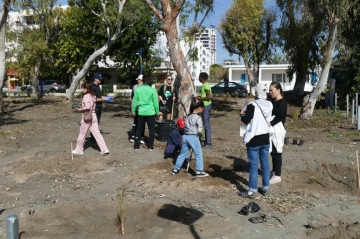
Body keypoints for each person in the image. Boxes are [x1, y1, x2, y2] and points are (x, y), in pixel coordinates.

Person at [239, 83, 273, 198]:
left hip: (253, 139)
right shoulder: (269, 104)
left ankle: (252, 191)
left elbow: (246, 120)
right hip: (265, 138)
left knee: (253, 166)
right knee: (265, 164)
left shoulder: (252, 105)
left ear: (255, 94)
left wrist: (242, 114)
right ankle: (265, 188)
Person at [171, 99, 209, 177]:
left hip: (185, 137)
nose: (202, 110)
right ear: (199, 108)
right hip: (193, 137)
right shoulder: (198, 118)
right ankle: (199, 171)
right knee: (198, 154)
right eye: (202, 109)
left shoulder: (188, 116)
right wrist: (199, 134)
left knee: (182, 154)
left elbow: (185, 126)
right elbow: (200, 129)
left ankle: (175, 169)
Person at [73, 82, 109, 155]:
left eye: (82, 88)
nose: (82, 90)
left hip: (87, 116)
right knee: (97, 134)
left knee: (82, 134)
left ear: (86, 89)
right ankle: (104, 149)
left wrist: (80, 109)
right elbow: (96, 100)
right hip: (94, 116)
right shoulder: (92, 95)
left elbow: (87, 107)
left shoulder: (86, 96)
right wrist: (105, 98)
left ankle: (79, 150)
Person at [131, 75, 160, 151]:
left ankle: (136, 146)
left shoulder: (138, 90)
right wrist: (158, 112)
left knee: (139, 129)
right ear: (150, 81)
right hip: (151, 112)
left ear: (143, 81)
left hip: (141, 112)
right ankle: (150, 146)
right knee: (151, 129)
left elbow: (134, 102)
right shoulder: (153, 90)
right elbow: (156, 103)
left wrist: (133, 111)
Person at [268, 82, 287, 184]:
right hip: (272, 129)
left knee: (277, 152)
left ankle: (277, 175)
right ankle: (274, 170)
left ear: (278, 90)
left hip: (277, 130)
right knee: (273, 151)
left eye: (272, 90)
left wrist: (270, 123)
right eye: (269, 90)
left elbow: (280, 117)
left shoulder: (282, 102)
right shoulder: (273, 101)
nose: (270, 92)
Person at [195, 72, 212, 148]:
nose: (198, 78)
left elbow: (209, 97)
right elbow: (204, 96)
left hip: (207, 106)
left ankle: (208, 143)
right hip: (204, 106)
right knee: (205, 124)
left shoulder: (206, 85)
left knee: (206, 124)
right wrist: (198, 97)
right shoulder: (204, 85)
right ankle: (206, 141)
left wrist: (200, 98)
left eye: (199, 77)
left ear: (202, 78)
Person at [90, 73, 106, 141]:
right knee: (94, 123)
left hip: (99, 106)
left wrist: (105, 97)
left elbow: (99, 97)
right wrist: (103, 99)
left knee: (97, 122)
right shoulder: (92, 87)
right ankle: (93, 137)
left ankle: (94, 136)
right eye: (99, 79)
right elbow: (94, 99)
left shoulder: (98, 86)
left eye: (101, 79)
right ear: (95, 79)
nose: (100, 80)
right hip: (95, 107)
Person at [130, 75, 145, 144]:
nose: (137, 81)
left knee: (135, 122)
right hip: (143, 107)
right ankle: (141, 137)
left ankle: (133, 136)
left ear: (140, 80)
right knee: (142, 123)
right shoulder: (145, 87)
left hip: (136, 107)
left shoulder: (134, 87)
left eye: (138, 79)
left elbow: (132, 97)